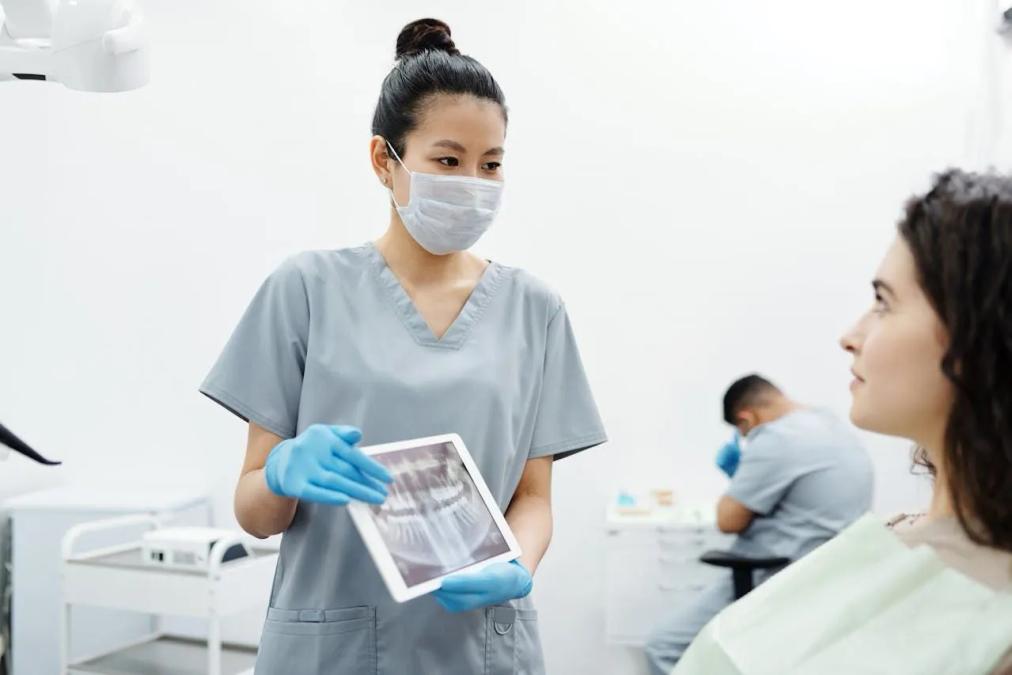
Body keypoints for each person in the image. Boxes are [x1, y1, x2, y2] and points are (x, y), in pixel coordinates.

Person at [199, 18, 606, 674]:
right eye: (448, 160)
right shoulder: (304, 289)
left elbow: (532, 496)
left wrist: (519, 562)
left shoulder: (536, 310)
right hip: (333, 646)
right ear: (384, 160)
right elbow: (255, 512)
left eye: (491, 163)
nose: (474, 182)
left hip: (479, 646)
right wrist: (279, 473)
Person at [673, 169, 1012, 674]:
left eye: (883, 302)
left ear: (978, 338)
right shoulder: (898, 535)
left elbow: (729, 518)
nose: (850, 335)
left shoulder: (989, 616)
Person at [644, 376, 872, 674]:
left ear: (746, 418)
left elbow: (728, 520)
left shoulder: (775, 438)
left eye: (743, 432)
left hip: (774, 575)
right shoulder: (831, 424)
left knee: (663, 646)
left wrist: (738, 472)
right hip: (826, 576)